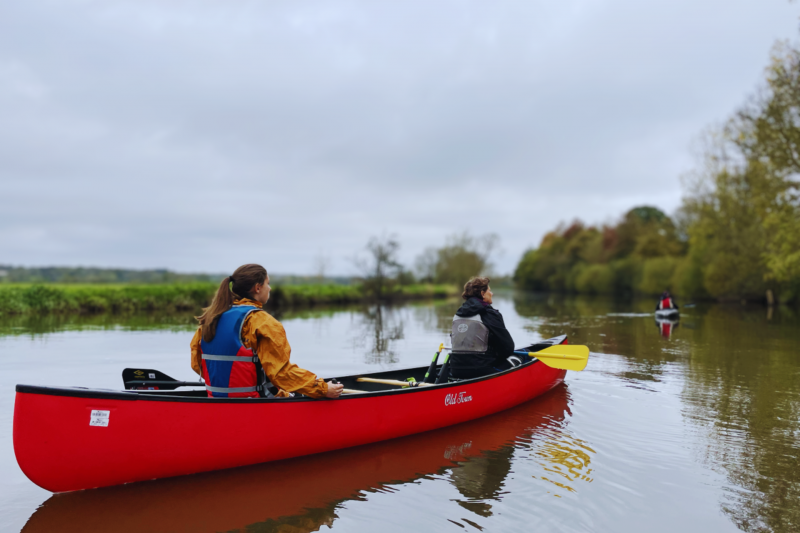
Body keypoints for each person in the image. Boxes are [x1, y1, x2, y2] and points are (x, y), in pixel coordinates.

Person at [190, 263, 343, 399]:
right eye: (267, 283)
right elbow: (281, 374)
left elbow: (197, 365)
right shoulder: (263, 322)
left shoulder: (210, 318)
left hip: (214, 399)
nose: (269, 288)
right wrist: (322, 388)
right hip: (255, 401)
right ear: (258, 288)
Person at [449, 276, 517, 379]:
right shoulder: (489, 314)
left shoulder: (457, 315)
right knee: (517, 358)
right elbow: (508, 348)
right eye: (489, 290)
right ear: (482, 293)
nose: (492, 293)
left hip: (455, 370)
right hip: (481, 370)